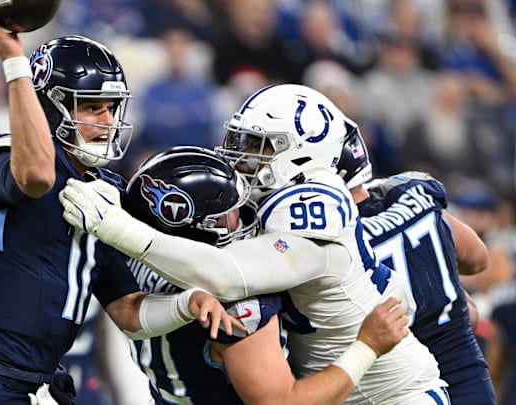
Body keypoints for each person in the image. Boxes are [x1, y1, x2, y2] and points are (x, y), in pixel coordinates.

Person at [0, 2, 241, 404]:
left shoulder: (106, 189)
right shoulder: (7, 156)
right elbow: (36, 175)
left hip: (37, 381)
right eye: (90, 106)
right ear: (50, 105)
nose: (106, 121)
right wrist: (14, 61)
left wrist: (185, 304)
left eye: (110, 108)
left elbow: (126, 310)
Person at [59, 84, 451, 404]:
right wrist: (367, 344)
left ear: (300, 155)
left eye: (258, 144)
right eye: (243, 140)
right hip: (337, 381)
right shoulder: (234, 286)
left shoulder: (306, 209)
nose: (240, 158)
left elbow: (216, 278)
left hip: (393, 393)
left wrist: (115, 227)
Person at [120, 145, 409, 404]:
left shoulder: (134, 264)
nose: (242, 216)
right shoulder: (237, 304)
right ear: (197, 227)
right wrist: (367, 347)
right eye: (228, 213)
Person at [336, 127, 497, 404]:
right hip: (463, 374)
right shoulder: (413, 196)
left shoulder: (325, 238)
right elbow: (478, 259)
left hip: (389, 388)